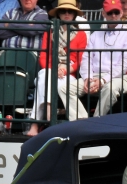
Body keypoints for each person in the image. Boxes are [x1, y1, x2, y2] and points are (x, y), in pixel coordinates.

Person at [60, 0, 127, 119]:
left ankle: (95, 122)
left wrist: (103, 80)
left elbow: (125, 64)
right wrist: (87, 78)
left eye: (116, 12)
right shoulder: (96, 34)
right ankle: (82, 121)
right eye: (110, 13)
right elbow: (86, 58)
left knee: (110, 88)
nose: (113, 16)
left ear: (121, 13)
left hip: (119, 77)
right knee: (64, 88)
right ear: (103, 13)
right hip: (94, 76)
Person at [26, 0, 87, 136]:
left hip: (69, 75)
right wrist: (54, 69)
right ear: (58, 13)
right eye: (63, 11)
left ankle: (36, 124)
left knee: (44, 79)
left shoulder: (81, 34)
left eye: (70, 11)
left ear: (74, 14)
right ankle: (49, 113)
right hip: (51, 70)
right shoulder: (50, 32)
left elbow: (79, 61)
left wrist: (64, 69)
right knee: (44, 76)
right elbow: (43, 56)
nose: (66, 13)